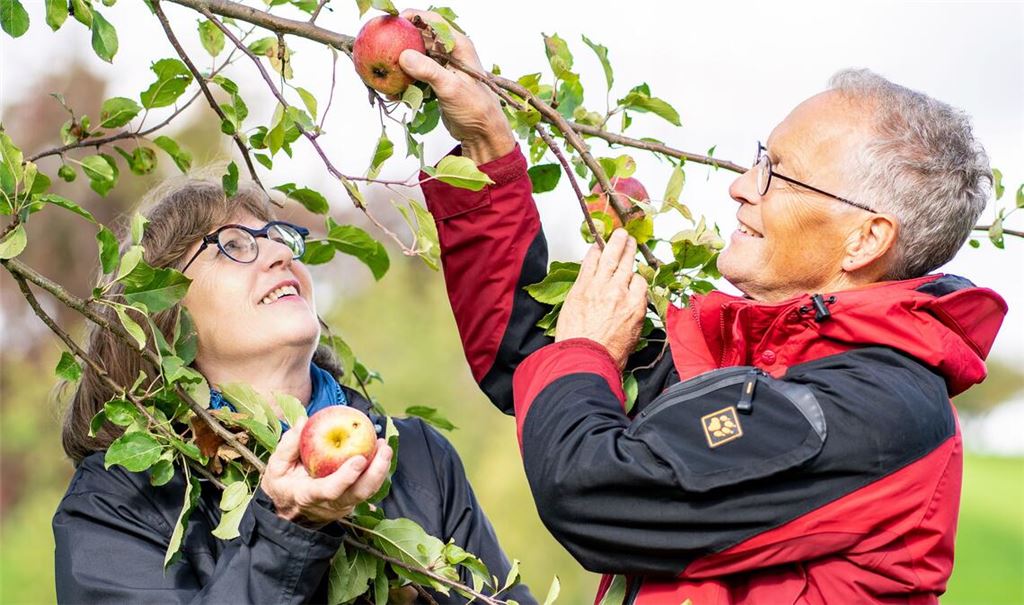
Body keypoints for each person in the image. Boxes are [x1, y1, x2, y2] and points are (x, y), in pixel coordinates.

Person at [396, 11, 1008, 604]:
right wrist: (486, 145)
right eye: (760, 157)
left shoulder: (873, 411)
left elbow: (593, 492)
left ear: (866, 240)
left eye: (779, 174)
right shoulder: (732, 354)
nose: (742, 184)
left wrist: (587, 350)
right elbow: (535, 365)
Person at [52, 177, 536, 604]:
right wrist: (289, 530)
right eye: (235, 244)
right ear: (164, 310)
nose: (281, 253)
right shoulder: (115, 501)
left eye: (279, 239)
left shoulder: (418, 457)